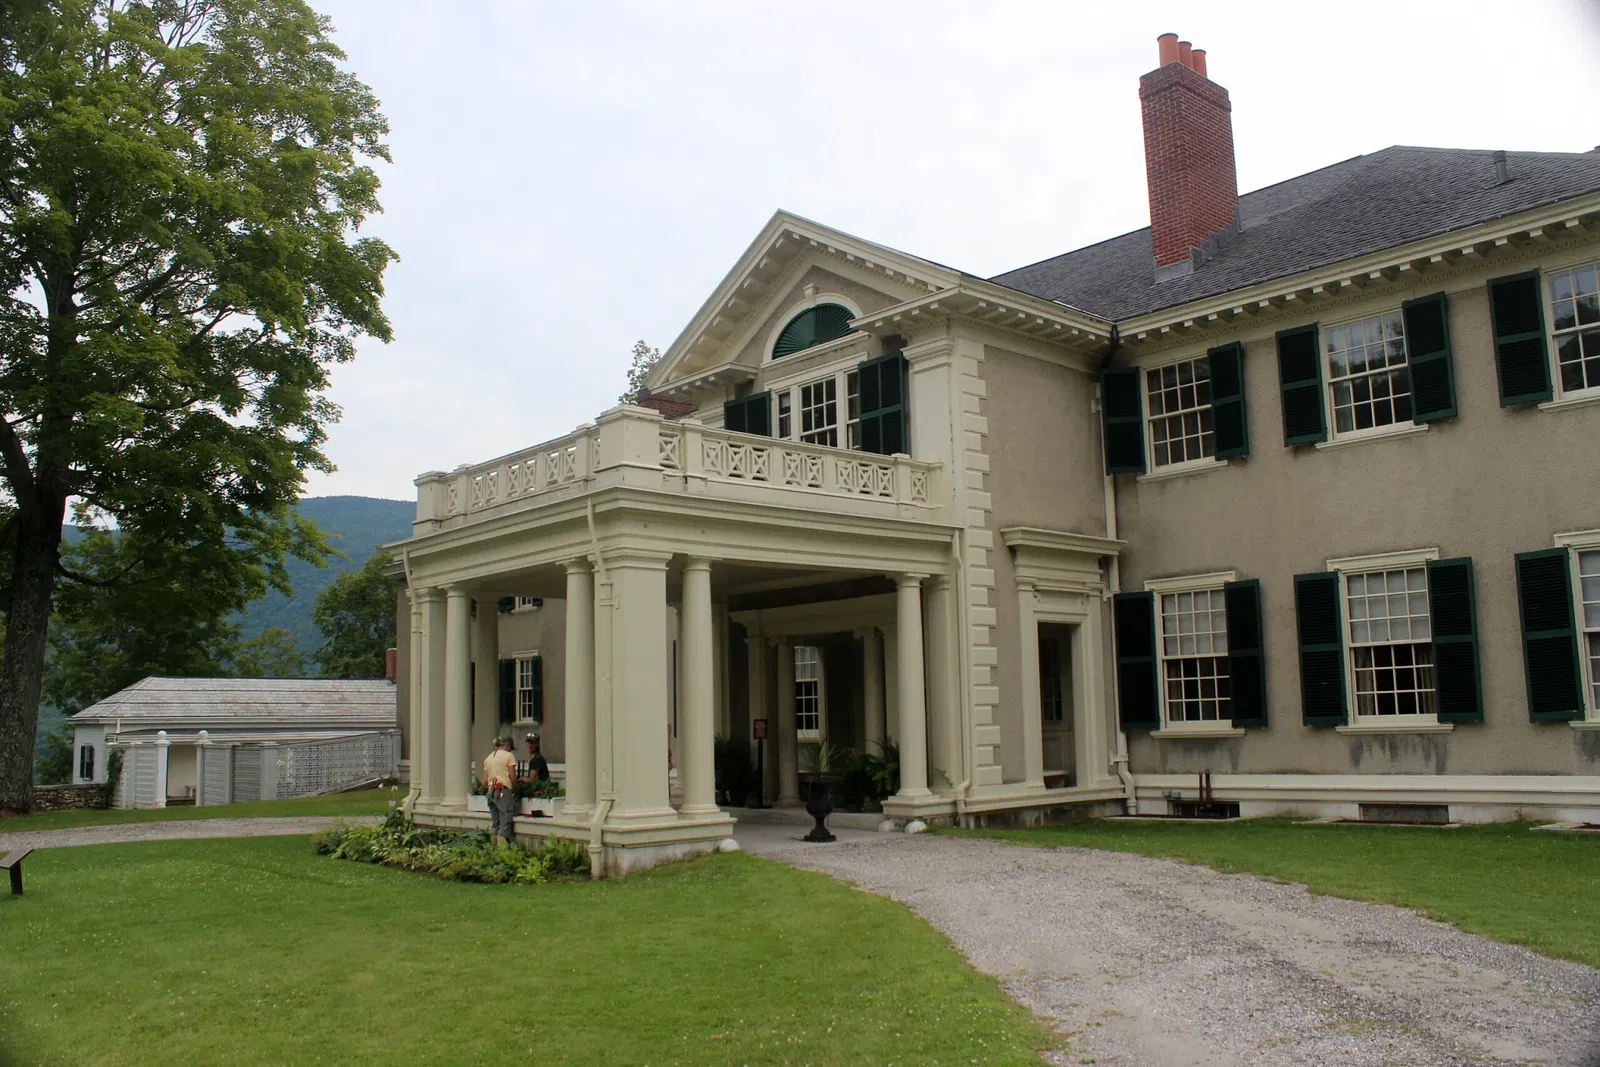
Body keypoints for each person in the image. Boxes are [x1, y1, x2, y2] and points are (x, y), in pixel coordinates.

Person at [482, 736, 519, 846]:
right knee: (505, 824)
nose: (511, 750)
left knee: (496, 824)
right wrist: (517, 789)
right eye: (510, 748)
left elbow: (484, 781)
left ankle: (492, 850)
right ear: (507, 745)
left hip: (490, 792)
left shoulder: (488, 758)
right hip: (502, 791)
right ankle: (502, 853)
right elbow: (513, 777)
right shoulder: (509, 756)